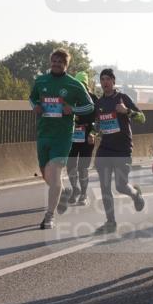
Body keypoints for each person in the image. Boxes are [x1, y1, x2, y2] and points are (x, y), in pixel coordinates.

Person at [29, 49, 95, 229]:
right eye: (54, 61)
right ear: (50, 62)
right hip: (43, 134)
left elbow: (90, 106)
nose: (56, 64)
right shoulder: (41, 81)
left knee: (55, 171)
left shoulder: (73, 85)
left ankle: (49, 216)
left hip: (63, 136)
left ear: (66, 64)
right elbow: (32, 98)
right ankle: (63, 191)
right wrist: (35, 106)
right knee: (46, 173)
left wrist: (72, 109)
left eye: (60, 61)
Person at [93, 69, 147, 234]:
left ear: (113, 81)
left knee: (121, 186)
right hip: (105, 149)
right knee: (104, 186)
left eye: (108, 79)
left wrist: (127, 111)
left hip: (122, 148)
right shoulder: (99, 103)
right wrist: (94, 132)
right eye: (102, 79)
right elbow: (98, 126)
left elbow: (142, 118)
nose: (105, 82)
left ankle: (135, 194)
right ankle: (111, 222)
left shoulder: (123, 98)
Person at [66, 71, 99, 206]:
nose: (80, 87)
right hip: (73, 135)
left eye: (83, 85)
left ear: (86, 85)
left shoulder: (93, 99)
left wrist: (93, 133)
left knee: (82, 167)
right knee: (70, 166)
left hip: (87, 136)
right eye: (77, 84)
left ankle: (84, 194)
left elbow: (99, 120)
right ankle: (75, 190)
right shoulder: (71, 97)